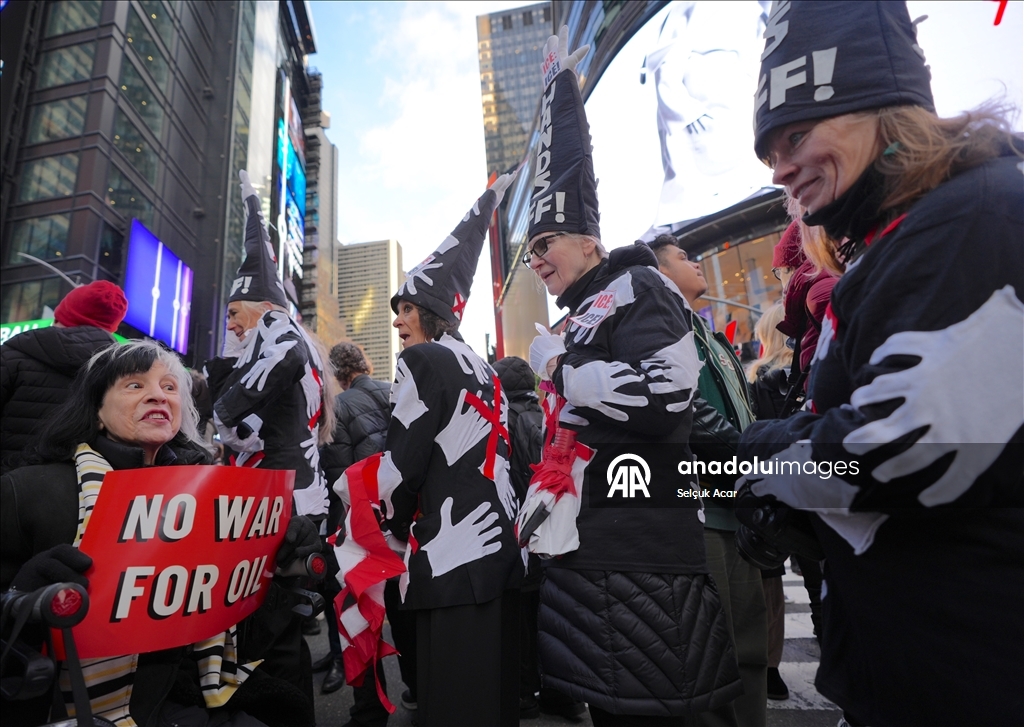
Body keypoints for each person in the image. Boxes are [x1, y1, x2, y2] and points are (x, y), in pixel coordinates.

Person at [739, 3, 1024, 725]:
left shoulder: (980, 215)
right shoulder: (903, 238)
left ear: (882, 106)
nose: (780, 168)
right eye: (771, 150)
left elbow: (904, 448)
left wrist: (754, 456)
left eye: (797, 133)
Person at [520, 28, 741, 726]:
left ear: (590, 239)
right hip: (596, 567)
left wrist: (555, 365)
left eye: (545, 243)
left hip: (645, 567)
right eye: (528, 250)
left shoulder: (640, 285)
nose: (536, 260)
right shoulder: (582, 312)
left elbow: (664, 395)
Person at [0, 341, 308, 727]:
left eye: (169, 387)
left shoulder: (217, 500)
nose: (157, 396)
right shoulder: (24, 492)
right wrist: (19, 601)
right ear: (96, 410)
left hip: (193, 698)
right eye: (134, 385)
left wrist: (276, 566)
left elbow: (236, 622)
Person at [334, 174, 522, 727]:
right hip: (498, 551)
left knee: (451, 701)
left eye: (406, 310)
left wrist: (375, 517)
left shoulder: (422, 362)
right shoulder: (484, 368)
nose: (397, 321)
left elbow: (401, 467)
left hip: (448, 555)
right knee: (493, 696)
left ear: (431, 312)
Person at [205, 170, 329, 718]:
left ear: (257, 306)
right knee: (276, 635)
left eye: (234, 313)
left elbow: (281, 364)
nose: (230, 325)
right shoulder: (285, 338)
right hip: (290, 500)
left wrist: (220, 410)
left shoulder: (279, 332)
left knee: (272, 638)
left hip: (282, 507)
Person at [649, 234, 767, 725]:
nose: (694, 262)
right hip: (705, 509)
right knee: (717, 655)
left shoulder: (707, 333)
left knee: (750, 648)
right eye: (682, 258)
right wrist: (752, 456)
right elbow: (691, 415)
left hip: (736, 504)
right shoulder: (664, 330)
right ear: (659, 274)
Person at [319, 342, 416, 727]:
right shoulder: (394, 391)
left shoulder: (338, 407)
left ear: (337, 373)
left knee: (364, 619)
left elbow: (338, 478)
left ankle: (370, 711)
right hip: (403, 520)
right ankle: (417, 689)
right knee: (405, 612)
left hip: (362, 528)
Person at [1, 280, 128, 473]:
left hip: (9, 481)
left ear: (63, 315)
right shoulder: (124, 371)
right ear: (111, 325)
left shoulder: (13, 353)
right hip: (81, 492)